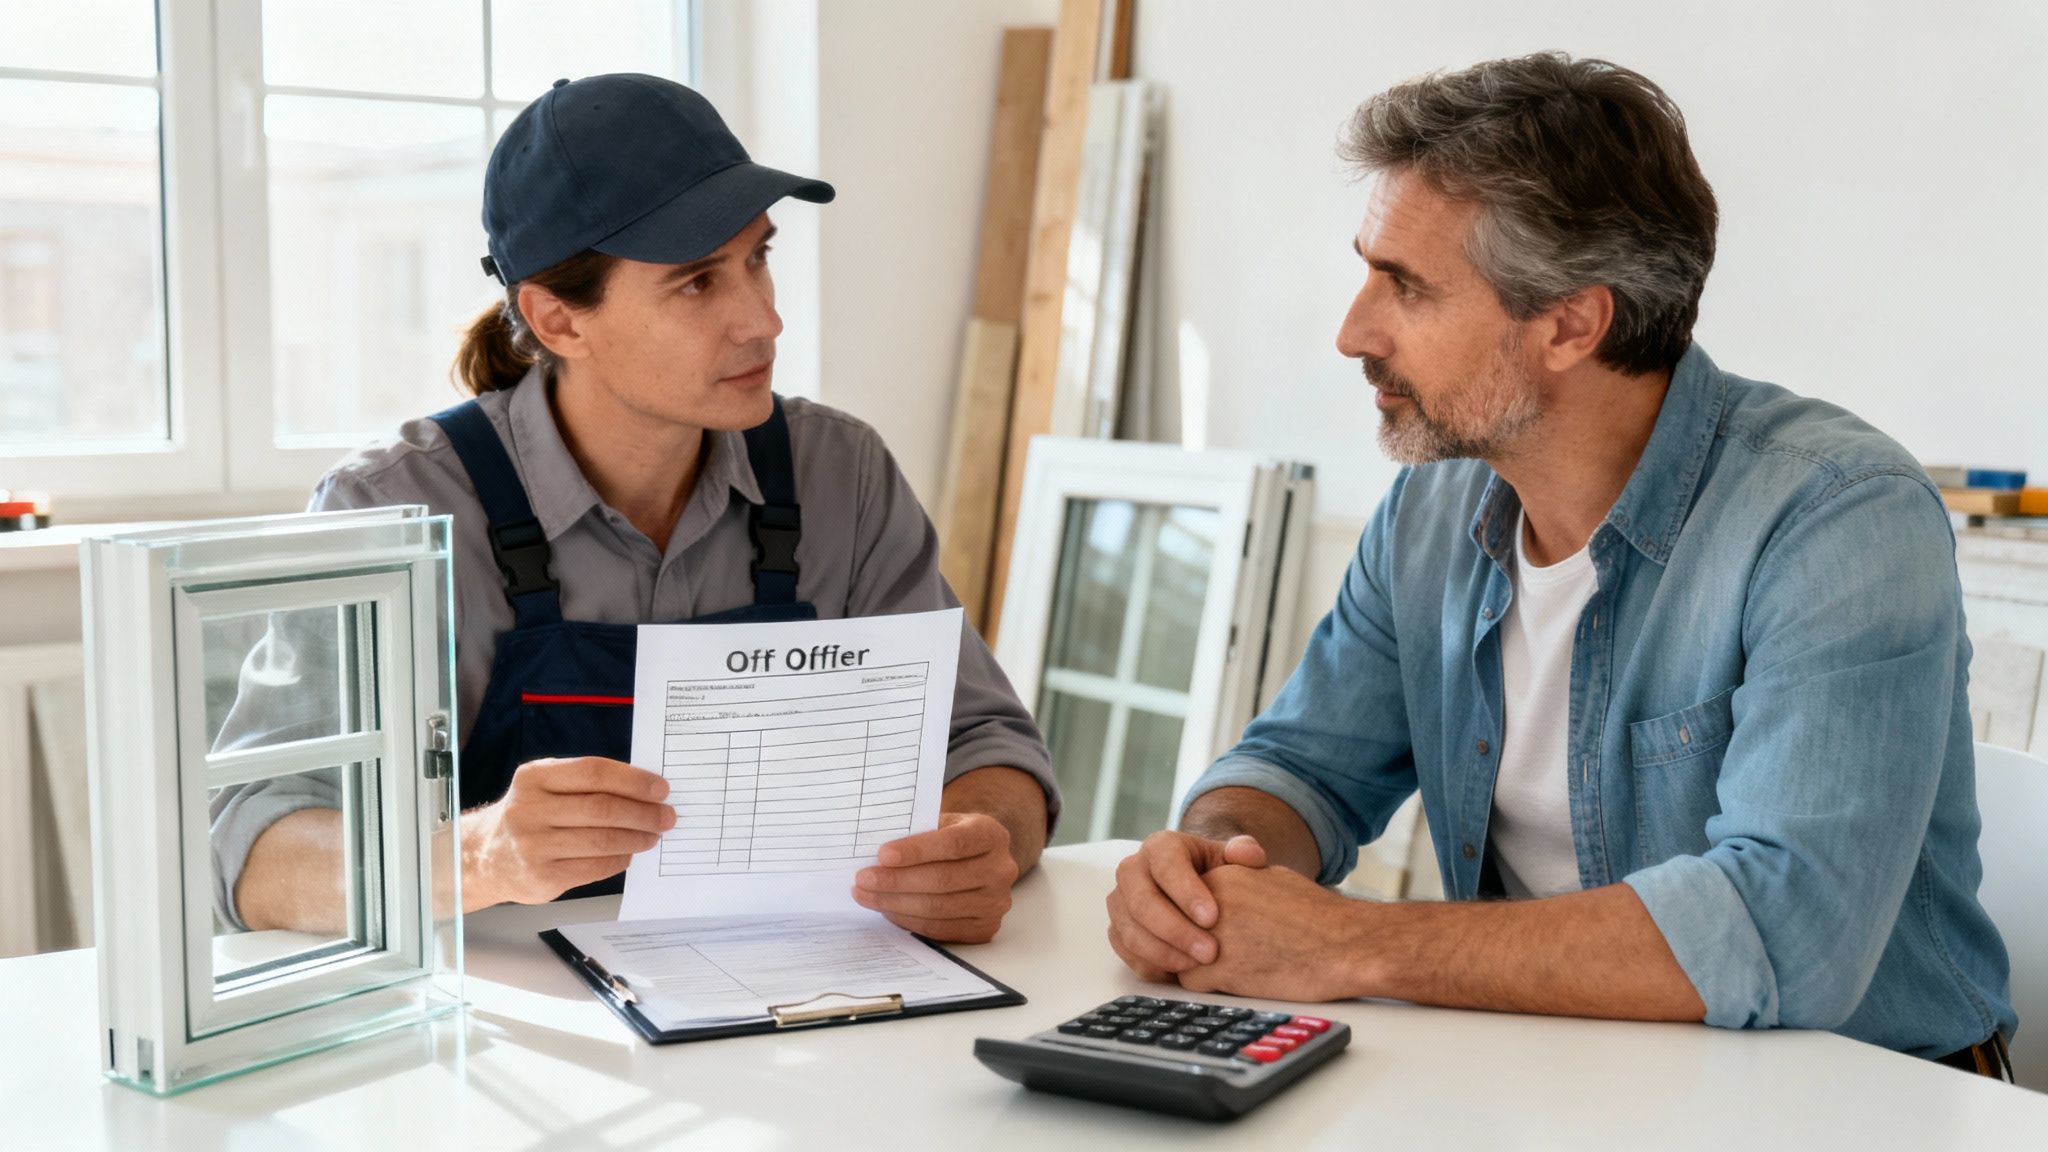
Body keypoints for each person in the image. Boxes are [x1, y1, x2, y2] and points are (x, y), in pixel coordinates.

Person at [1104, 52, 2014, 1078]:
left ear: (1571, 324)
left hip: (1856, 1099)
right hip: (1569, 1080)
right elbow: (1300, 768)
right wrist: (1210, 870)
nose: (1352, 332)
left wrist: (1348, 943)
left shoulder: (1838, 517)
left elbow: (1784, 930)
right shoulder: (1431, 508)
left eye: (1406, 287)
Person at [213, 73, 1058, 945]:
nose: (763, 321)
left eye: (757, 258)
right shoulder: (391, 509)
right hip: (511, 1020)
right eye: (697, 283)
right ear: (557, 320)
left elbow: (986, 744)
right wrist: (481, 855)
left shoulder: (841, 475)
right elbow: (252, 850)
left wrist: (979, 840)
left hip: (802, 991)